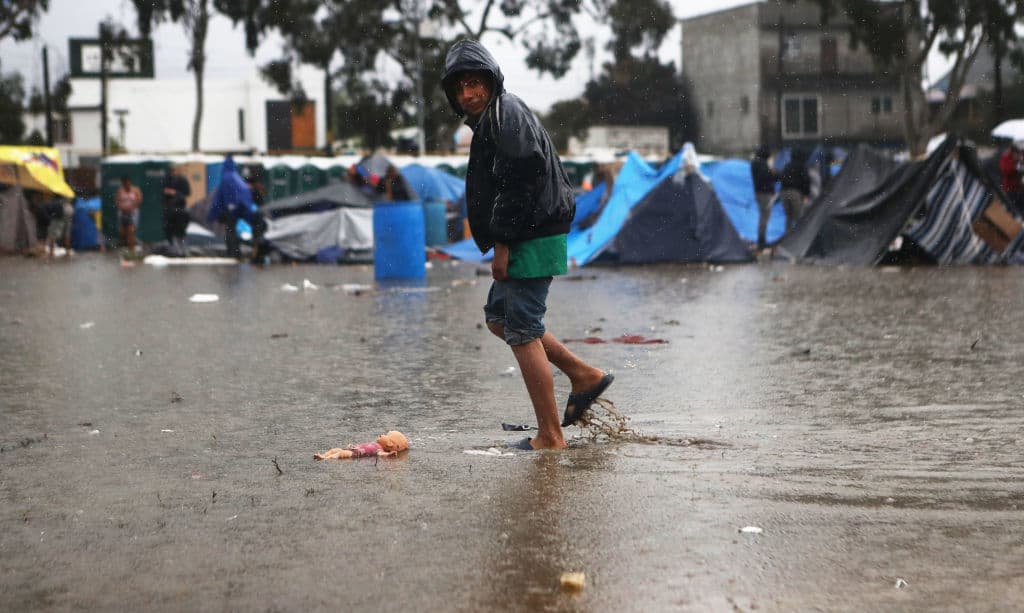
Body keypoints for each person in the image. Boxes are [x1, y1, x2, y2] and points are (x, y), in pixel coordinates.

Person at [441, 39, 613, 450]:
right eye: (460, 87)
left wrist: (502, 247)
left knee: (521, 331)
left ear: (491, 79)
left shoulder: (506, 114)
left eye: (475, 83)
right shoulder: (496, 117)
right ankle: (584, 375)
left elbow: (519, 181)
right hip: (532, 231)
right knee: (500, 318)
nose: (469, 94)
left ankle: (551, 436)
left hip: (530, 235)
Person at [208, 156, 266, 261]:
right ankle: (257, 250)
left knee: (230, 231)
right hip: (242, 207)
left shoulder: (226, 178)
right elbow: (244, 194)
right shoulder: (237, 178)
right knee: (255, 226)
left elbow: (219, 197)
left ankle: (233, 252)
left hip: (232, 210)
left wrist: (214, 213)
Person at [751, 145, 778, 251]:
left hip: (760, 192)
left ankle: (761, 240)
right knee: (764, 217)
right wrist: (773, 173)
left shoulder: (755, 163)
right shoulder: (761, 164)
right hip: (765, 193)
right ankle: (761, 241)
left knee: (763, 217)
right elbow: (766, 177)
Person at [779, 149, 811, 234]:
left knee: (788, 217)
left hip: (784, 192)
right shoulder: (802, 166)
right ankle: (800, 236)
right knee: (799, 216)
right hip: (795, 192)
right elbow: (806, 180)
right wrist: (806, 194)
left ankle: (787, 237)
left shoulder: (787, 166)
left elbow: (782, 178)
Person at [162, 167, 192, 256]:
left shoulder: (182, 181)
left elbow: (187, 192)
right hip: (171, 209)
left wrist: (175, 192)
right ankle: (177, 250)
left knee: (179, 231)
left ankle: (181, 250)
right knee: (173, 230)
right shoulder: (167, 180)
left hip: (177, 209)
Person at [115, 176, 142, 255]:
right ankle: (126, 246)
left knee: (131, 230)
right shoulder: (120, 191)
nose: (127, 185)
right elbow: (117, 201)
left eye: (128, 183)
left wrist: (132, 207)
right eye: (125, 183)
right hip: (123, 212)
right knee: (123, 231)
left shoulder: (135, 190)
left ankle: (131, 249)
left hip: (133, 212)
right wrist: (122, 208)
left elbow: (139, 199)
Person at [999, 140, 1023, 216]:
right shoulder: (1006, 156)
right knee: (1013, 209)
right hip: (1010, 189)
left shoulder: (1021, 155)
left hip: (1021, 188)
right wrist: (1016, 166)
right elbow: (1005, 171)